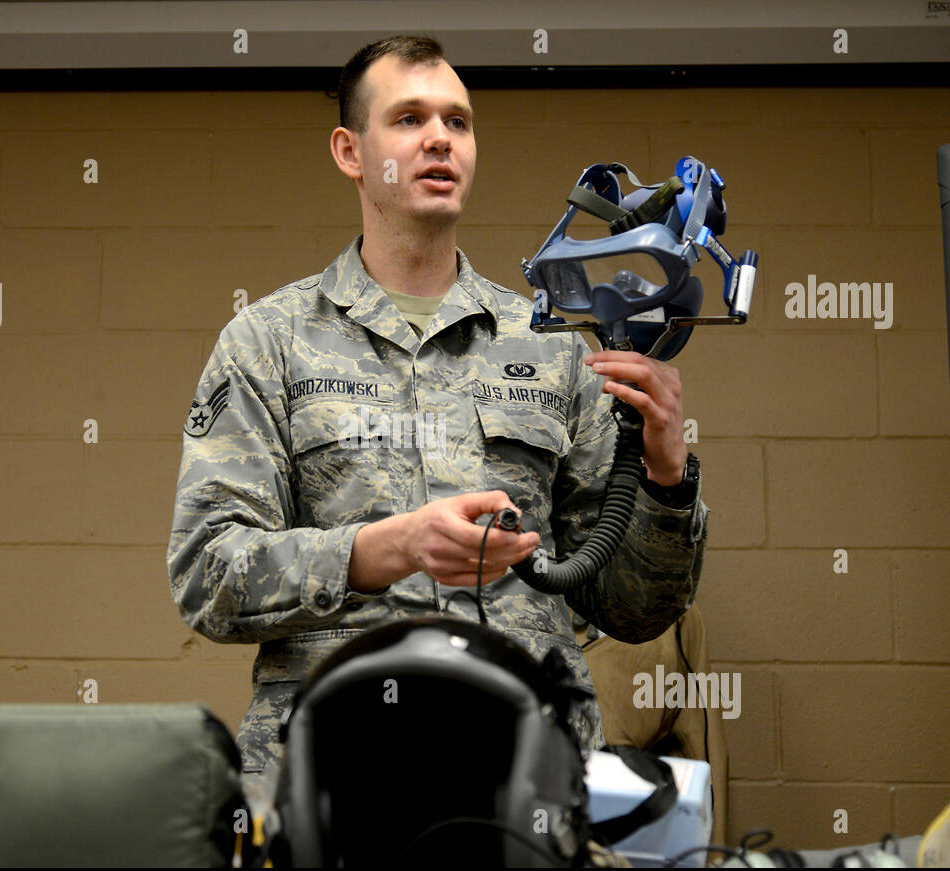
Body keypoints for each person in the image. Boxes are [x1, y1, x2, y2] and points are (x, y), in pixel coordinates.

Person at [167, 35, 709, 807]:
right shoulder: (268, 341)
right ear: (351, 151)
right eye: (410, 118)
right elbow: (207, 572)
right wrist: (384, 548)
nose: (439, 139)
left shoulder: (551, 344)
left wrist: (662, 475)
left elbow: (634, 605)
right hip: (331, 778)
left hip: (522, 775)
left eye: (458, 121)